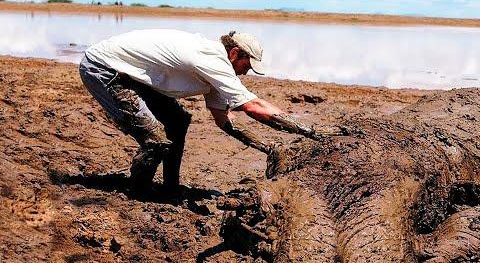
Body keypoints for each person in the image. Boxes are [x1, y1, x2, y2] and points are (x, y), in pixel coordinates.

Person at [78, 28, 325, 199]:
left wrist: (267, 148)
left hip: (128, 72)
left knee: (178, 120)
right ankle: (139, 194)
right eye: (247, 65)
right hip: (104, 69)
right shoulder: (212, 60)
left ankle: (170, 188)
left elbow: (222, 120)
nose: (247, 72)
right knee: (155, 139)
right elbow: (253, 106)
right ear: (235, 53)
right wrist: (311, 132)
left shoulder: (215, 69)